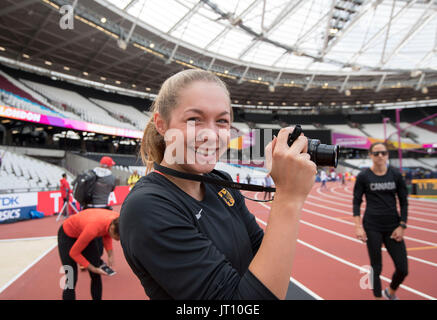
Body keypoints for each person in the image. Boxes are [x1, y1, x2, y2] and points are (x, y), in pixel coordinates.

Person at [119, 69, 316, 300]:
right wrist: (289, 197)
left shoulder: (220, 182)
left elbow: (263, 254)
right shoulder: (147, 207)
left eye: (222, 122)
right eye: (194, 119)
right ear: (161, 124)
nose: (211, 135)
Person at [353, 142, 408, 300]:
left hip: (393, 226)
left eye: (383, 153)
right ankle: (377, 297)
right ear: (370, 155)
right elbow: (356, 202)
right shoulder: (364, 176)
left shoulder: (396, 174)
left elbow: (404, 202)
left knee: (403, 269)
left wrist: (402, 225)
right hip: (372, 226)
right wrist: (358, 227)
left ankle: (390, 292)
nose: (380, 156)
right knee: (376, 267)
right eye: (376, 153)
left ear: (387, 155)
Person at [57, 208, 120, 300]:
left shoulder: (116, 219)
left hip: (85, 231)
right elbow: (74, 253)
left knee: (96, 276)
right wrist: (93, 268)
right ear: (113, 228)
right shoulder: (92, 229)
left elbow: (107, 232)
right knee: (71, 278)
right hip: (67, 236)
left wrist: (110, 255)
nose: (118, 240)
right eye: (117, 237)